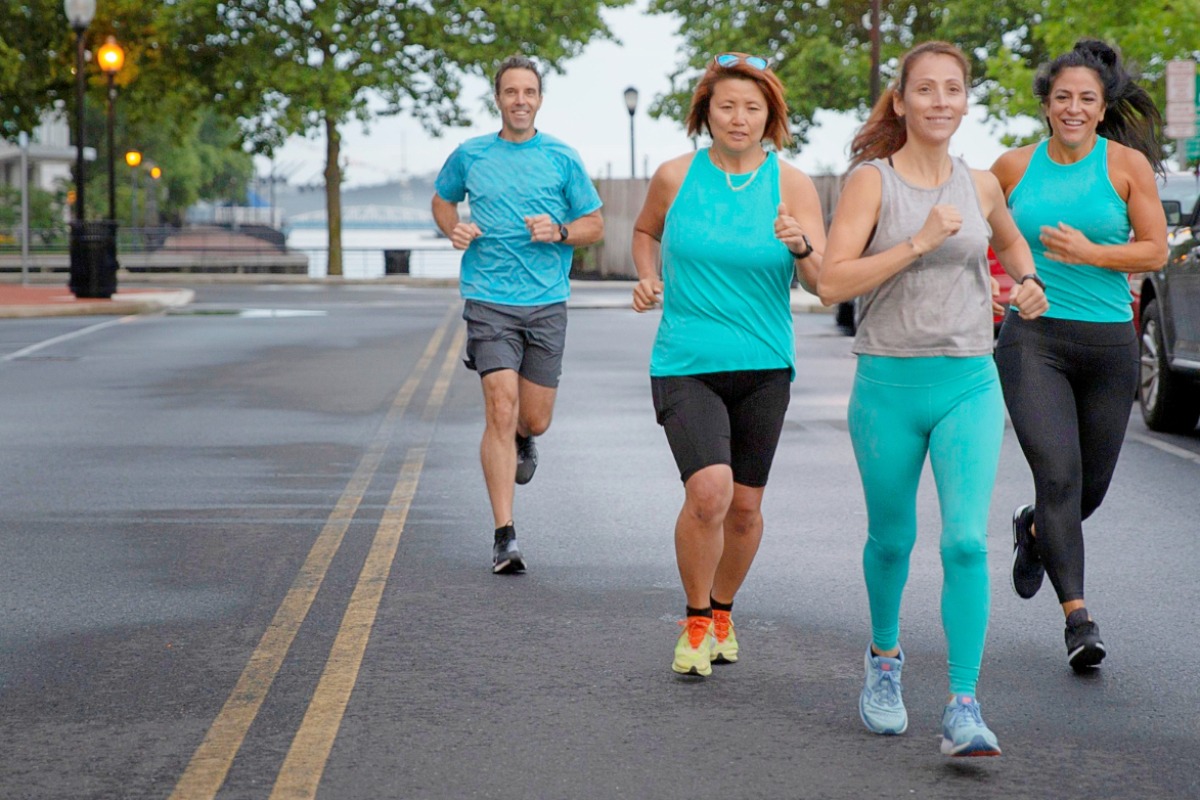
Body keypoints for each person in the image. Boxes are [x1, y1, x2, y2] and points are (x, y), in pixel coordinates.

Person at [819, 41, 1048, 757]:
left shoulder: (979, 185)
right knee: (893, 540)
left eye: (954, 88)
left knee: (966, 542)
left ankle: (963, 705)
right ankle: (884, 665)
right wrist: (918, 241)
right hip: (887, 385)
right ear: (901, 101)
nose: (941, 100)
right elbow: (832, 284)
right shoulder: (871, 183)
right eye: (927, 89)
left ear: (964, 101)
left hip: (969, 382)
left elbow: (1013, 249)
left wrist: (1028, 284)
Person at [630, 53, 826, 678]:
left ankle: (722, 610)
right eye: (726, 106)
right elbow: (644, 233)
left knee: (744, 508)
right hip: (685, 360)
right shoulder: (674, 177)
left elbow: (823, 282)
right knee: (708, 493)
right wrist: (645, 277)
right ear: (705, 114)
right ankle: (693, 623)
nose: (739, 118)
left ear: (770, 116)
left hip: (765, 364)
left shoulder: (792, 184)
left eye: (752, 108)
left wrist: (801, 246)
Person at [990, 39, 1167, 670]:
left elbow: (1154, 252)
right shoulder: (1012, 168)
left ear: (1101, 107)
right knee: (1059, 477)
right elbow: (976, 233)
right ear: (1044, 104)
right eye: (1061, 96)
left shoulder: (1126, 167)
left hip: (1108, 344)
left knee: (1087, 491)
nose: (1073, 108)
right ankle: (1079, 621)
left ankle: (1035, 528)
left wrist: (1090, 253)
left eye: (1086, 99)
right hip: (1032, 341)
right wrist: (994, 280)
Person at [432, 54, 604, 574]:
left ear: (540, 99)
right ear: (498, 98)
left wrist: (561, 232)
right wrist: (452, 229)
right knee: (499, 409)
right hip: (489, 299)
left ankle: (526, 439)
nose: (520, 101)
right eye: (511, 92)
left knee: (533, 418)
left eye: (529, 92)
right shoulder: (470, 155)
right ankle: (504, 535)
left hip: (547, 302)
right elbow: (443, 201)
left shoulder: (562, 158)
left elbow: (594, 223)